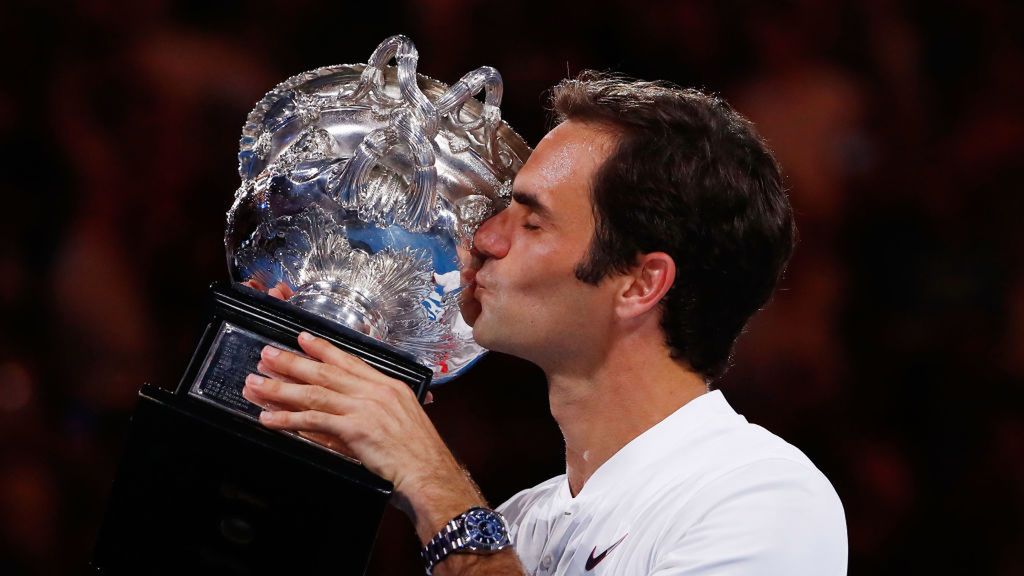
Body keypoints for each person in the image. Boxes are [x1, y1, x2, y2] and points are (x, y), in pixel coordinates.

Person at [240, 71, 848, 575]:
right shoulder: (517, 526)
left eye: (531, 222)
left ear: (640, 284)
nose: (483, 237)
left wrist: (428, 477)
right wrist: (296, 447)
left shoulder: (762, 498)